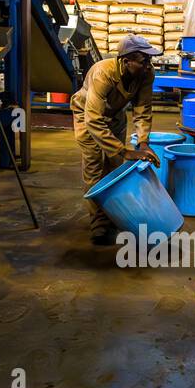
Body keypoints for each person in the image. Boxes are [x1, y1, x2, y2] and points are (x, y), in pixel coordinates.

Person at [71, 34, 163, 245]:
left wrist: (143, 143)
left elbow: (142, 108)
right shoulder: (103, 73)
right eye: (143, 61)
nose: (148, 65)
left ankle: (113, 214)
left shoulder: (146, 73)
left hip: (115, 116)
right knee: (94, 167)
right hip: (87, 117)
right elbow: (93, 119)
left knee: (114, 168)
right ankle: (98, 223)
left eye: (149, 60)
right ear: (126, 61)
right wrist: (125, 150)